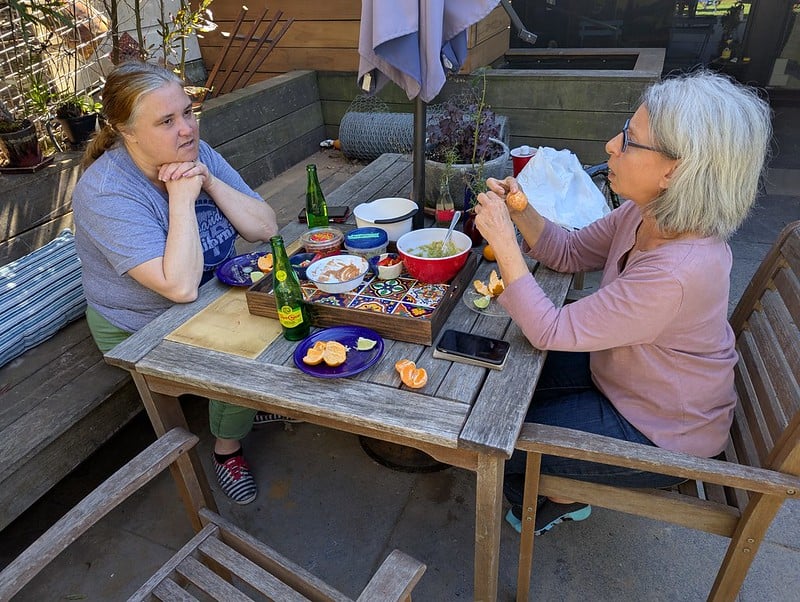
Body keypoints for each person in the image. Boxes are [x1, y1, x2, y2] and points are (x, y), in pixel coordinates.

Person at [472, 70, 772, 535]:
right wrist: (521, 211)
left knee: (500, 440)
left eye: (630, 140)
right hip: (624, 374)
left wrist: (503, 245)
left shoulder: (678, 271)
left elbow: (549, 328)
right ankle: (561, 477)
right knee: (495, 389)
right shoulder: (644, 211)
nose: (612, 144)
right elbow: (569, 252)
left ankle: (556, 498)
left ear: (676, 170)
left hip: (662, 432)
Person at [73, 61, 284, 505]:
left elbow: (265, 226)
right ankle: (227, 448)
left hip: (214, 293)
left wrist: (209, 181)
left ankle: (248, 401)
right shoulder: (108, 190)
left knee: (292, 292)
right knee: (242, 343)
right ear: (126, 131)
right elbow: (180, 289)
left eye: (188, 112)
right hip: (141, 321)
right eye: (167, 121)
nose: (187, 129)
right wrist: (183, 198)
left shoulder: (196, 155)